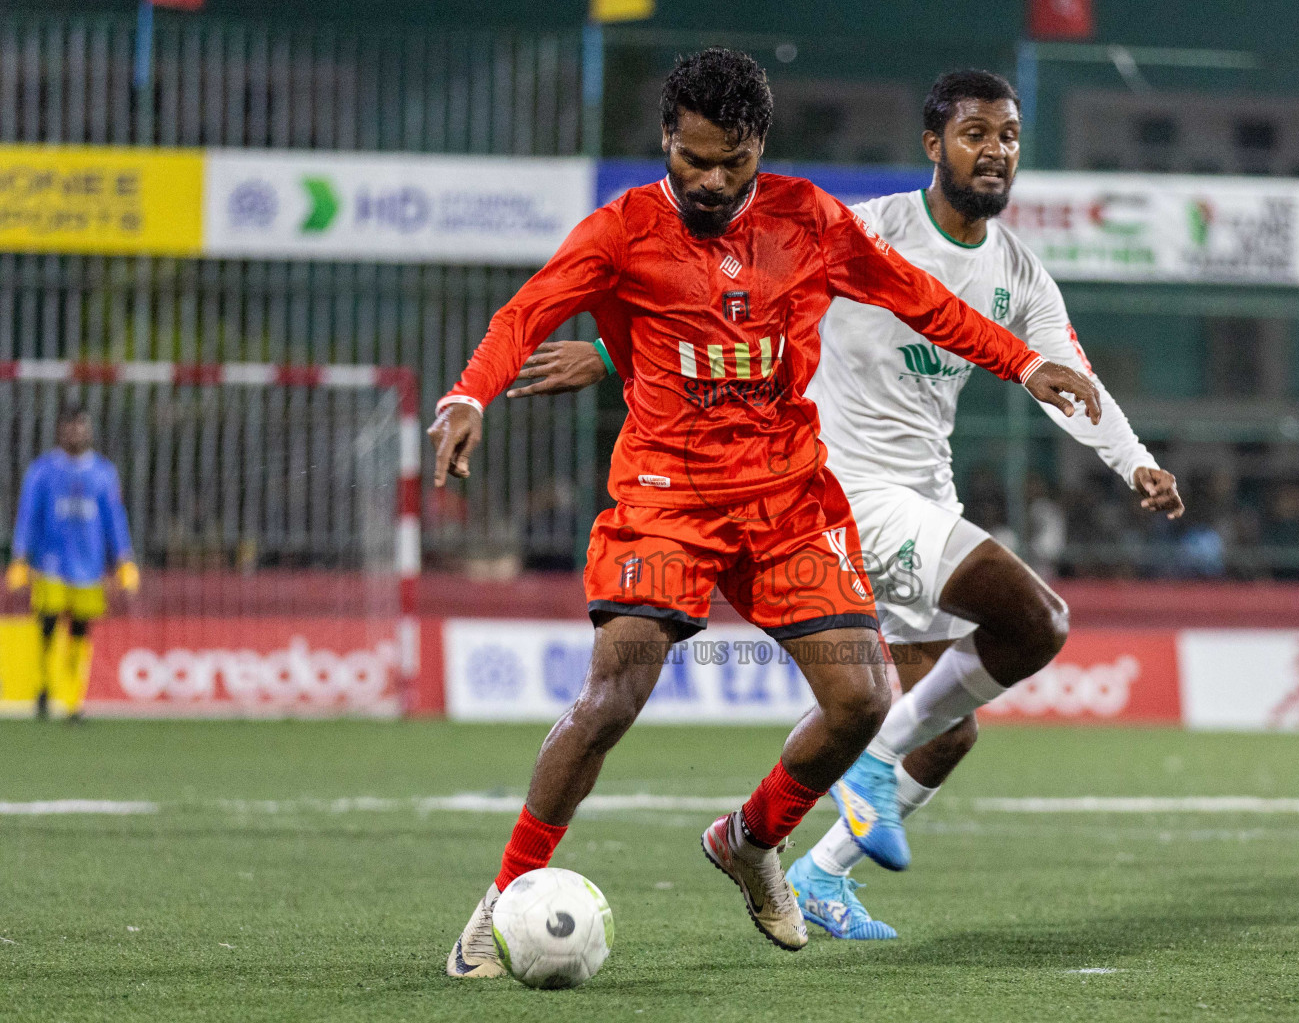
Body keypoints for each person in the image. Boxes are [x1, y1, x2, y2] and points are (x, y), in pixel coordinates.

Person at [428, 49, 1100, 973]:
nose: (708, 181)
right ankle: (503, 896)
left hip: (788, 499)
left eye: (729, 163)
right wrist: (468, 396)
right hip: (667, 496)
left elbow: (926, 303)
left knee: (864, 698)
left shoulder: (810, 220)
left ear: (759, 147)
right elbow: (525, 315)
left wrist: (1027, 362)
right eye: (691, 159)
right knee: (610, 698)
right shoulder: (621, 230)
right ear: (666, 137)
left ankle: (749, 841)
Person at [5, 405, 138, 722]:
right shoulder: (42, 470)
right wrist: (20, 554)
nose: (75, 432)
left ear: (89, 430)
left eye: (81, 426)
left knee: (81, 629)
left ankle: (73, 699)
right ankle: (42, 689)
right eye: (69, 426)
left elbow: (114, 519)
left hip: (89, 567)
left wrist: (124, 557)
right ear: (59, 431)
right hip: (51, 563)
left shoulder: (103, 473)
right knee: (47, 624)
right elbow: (28, 514)